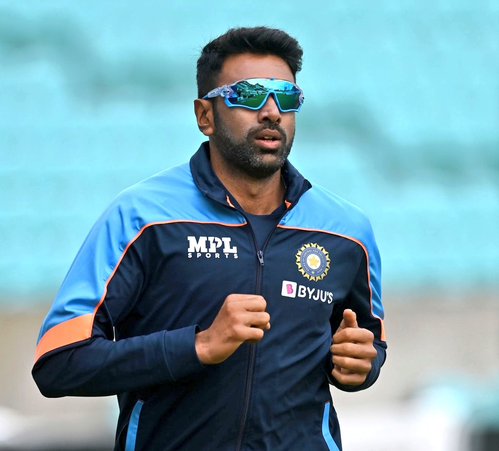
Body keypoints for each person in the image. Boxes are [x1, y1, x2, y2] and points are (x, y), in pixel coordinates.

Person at [32, 26, 387, 451]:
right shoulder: (141, 217)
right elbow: (59, 361)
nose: (271, 112)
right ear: (205, 115)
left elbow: (367, 345)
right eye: (249, 95)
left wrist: (361, 365)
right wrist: (198, 345)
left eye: (286, 97)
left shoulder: (346, 230)